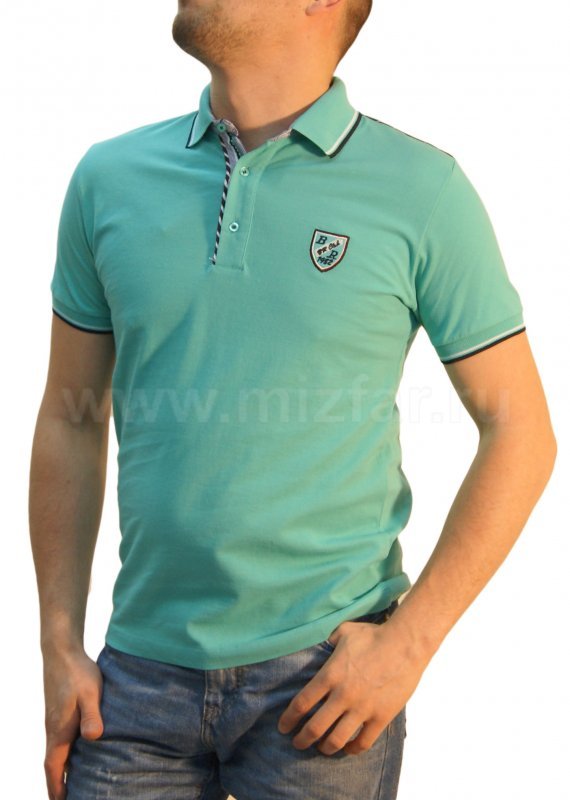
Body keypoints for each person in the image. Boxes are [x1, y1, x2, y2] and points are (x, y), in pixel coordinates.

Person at [28, 0, 557, 798]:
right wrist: (58, 644)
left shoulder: (422, 191)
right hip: (132, 685)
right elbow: (70, 418)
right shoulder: (108, 180)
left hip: (323, 687)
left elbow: (521, 431)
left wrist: (408, 646)